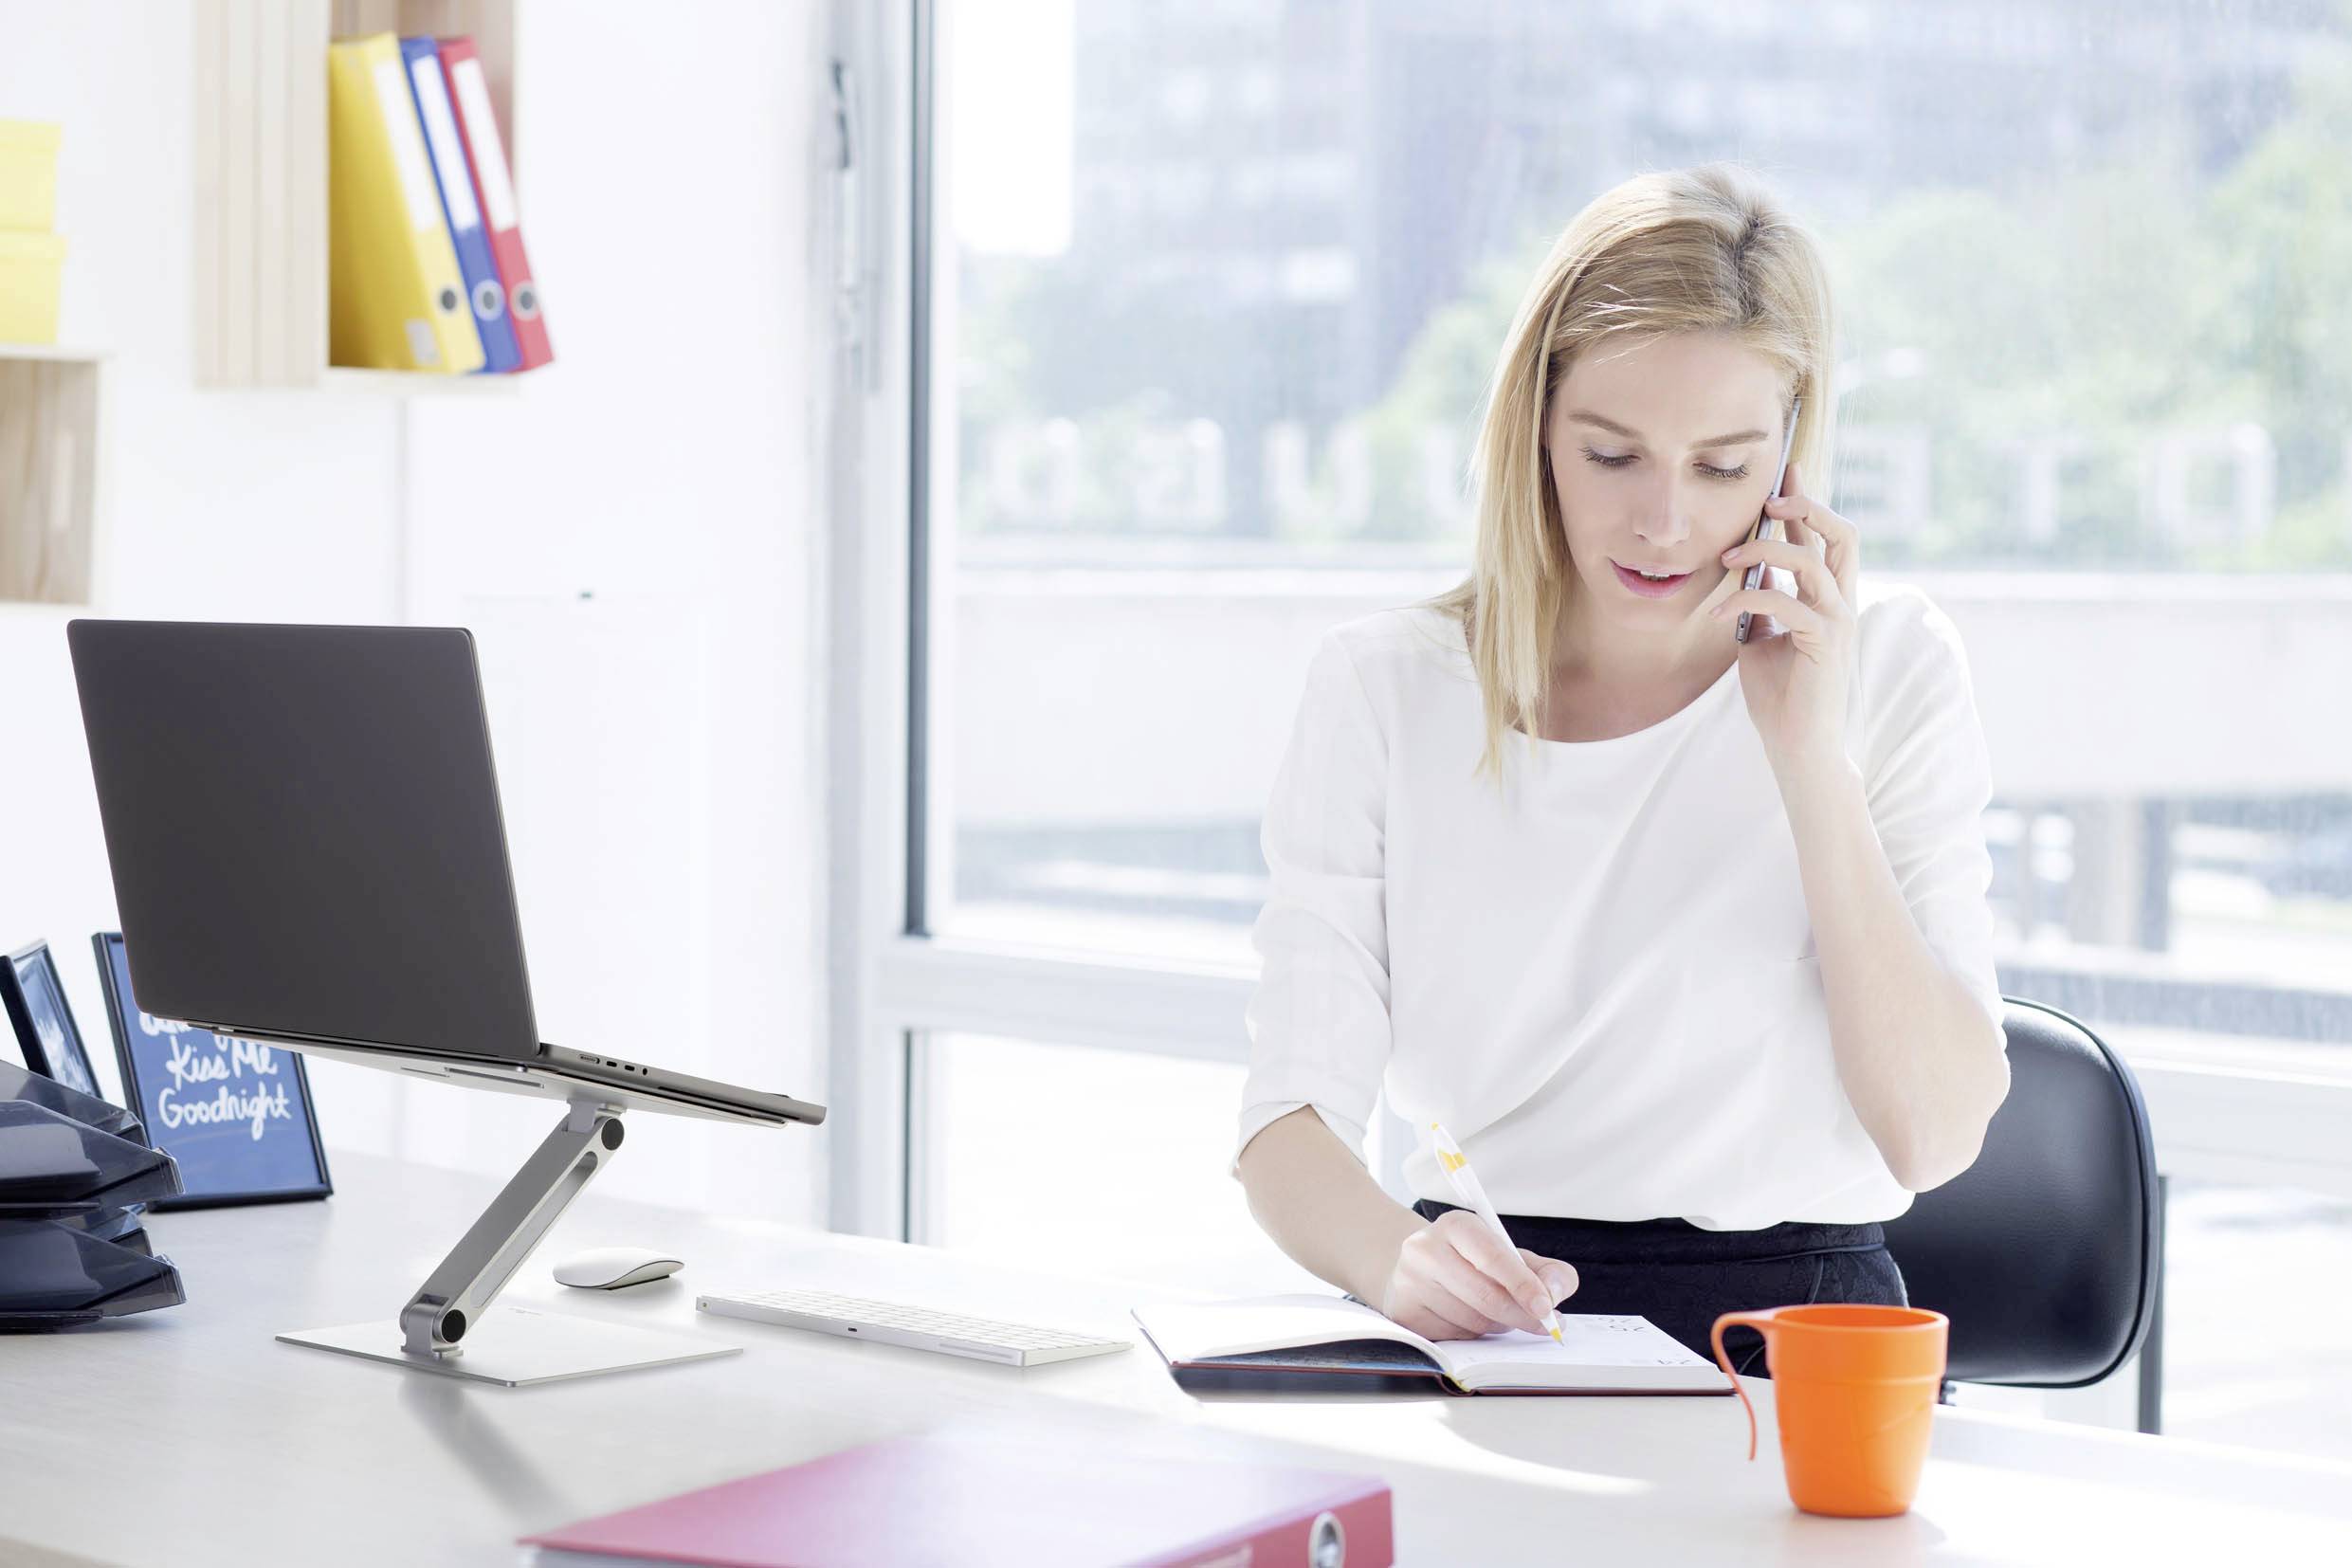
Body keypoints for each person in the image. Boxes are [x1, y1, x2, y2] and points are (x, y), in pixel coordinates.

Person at [1231, 163, 2011, 1377]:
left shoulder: (1891, 664)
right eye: (1611, 456)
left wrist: (1807, 752)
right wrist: (1395, 1260)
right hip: (1496, 1323)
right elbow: (1286, 1124)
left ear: (1791, 456)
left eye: (1722, 466)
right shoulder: (1385, 689)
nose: (1663, 523)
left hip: (1801, 1339)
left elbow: (1934, 1133)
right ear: (1536, 431)